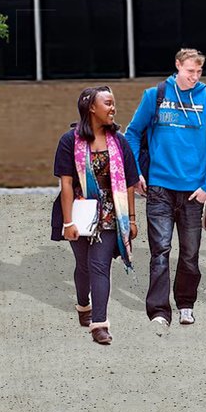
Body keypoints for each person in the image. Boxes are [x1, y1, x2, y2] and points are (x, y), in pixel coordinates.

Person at [123, 48, 206, 337]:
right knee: (160, 251)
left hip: (193, 192)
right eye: (190, 71)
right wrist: (136, 173)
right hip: (159, 187)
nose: (195, 77)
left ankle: (185, 303)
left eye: (199, 72)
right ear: (178, 66)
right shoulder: (155, 95)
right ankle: (159, 311)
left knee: (190, 253)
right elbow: (132, 133)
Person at [53, 86, 138, 346]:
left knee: (100, 266)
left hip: (111, 214)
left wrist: (131, 219)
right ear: (91, 108)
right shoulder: (69, 141)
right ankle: (83, 306)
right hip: (80, 211)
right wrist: (68, 222)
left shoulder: (119, 141)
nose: (113, 108)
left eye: (113, 103)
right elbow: (66, 183)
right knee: (84, 266)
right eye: (108, 103)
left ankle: (99, 324)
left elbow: (130, 183)